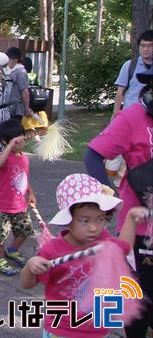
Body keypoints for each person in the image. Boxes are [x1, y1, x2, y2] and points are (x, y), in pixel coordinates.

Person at [21, 173, 147, 338]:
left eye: (100, 219)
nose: (94, 228)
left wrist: (131, 219)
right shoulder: (53, 250)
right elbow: (27, 284)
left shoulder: (103, 239)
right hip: (62, 331)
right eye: (85, 221)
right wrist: (31, 265)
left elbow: (123, 248)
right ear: (69, 219)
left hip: (99, 330)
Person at [84, 68, 153, 337]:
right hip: (139, 232)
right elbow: (93, 155)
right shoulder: (134, 116)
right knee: (138, 307)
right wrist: (109, 198)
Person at [0, 119, 35, 275]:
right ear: (5, 141)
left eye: (21, 140)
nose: (19, 144)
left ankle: (12, 250)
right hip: (4, 206)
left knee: (25, 230)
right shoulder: (4, 156)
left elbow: (24, 178)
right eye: (15, 141)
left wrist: (31, 193)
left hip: (20, 204)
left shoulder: (24, 158)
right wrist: (9, 147)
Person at [112, 30, 153, 119]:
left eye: (150, 46)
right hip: (131, 115)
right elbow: (120, 92)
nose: (145, 49)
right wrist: (115, 114)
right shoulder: (129, 65)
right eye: (143, 46)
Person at [5, 47, 34, 121]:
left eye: (10, 59)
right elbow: (25, 92)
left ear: (17, 59)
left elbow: (25, 92)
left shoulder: (20, 72)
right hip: (8, 109)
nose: (9, 61)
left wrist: (26, 108)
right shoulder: (15, 71)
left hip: (15, 110)